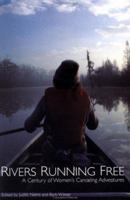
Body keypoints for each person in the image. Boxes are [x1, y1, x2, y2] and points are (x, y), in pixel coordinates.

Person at [24, 60, 98, 164]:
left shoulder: (47, 99)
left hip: (53, 152)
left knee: (47, 146)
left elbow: (29, 127)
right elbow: (93, 125)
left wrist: (33, 123)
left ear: (56, 78)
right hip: (79, 152)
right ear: (76, 80)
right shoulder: (86, 98)